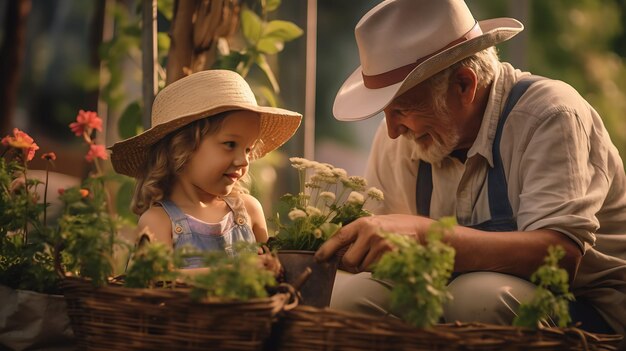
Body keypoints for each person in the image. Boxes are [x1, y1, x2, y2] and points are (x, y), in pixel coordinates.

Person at [316, 0, 626, 336]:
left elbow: (560, 257)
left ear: (464, 85)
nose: (392, 131)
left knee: (478, 298)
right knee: (348, 298)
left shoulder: (550, 116)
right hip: (448, 294)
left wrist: (426, 237)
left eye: (402, 110)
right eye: (385, 114)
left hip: (589, 312)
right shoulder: (400, 139)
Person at [110, 70, 301, 269]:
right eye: (230, 144)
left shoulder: (249, 211)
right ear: (181, 148)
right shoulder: (159, 222)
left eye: (248, 149)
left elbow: (271, 276)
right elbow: (158, 283)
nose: (244, 160)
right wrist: (237, 272)